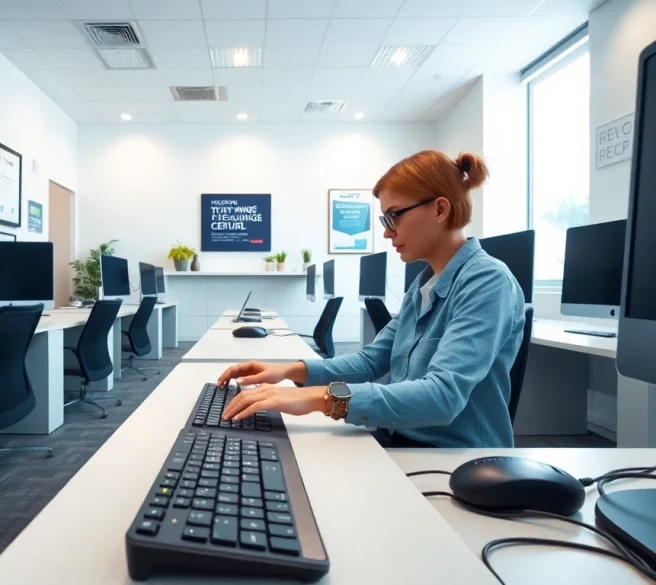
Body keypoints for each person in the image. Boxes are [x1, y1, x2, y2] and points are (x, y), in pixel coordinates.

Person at [219, 150, 525, 448]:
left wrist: (319, 398)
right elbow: (370, 361)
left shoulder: (487, 281)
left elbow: (442, 397)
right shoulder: (423, 286)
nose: (387, 234)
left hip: (454, 459)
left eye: (393, 217)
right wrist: (286, 371)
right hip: (399, 437)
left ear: (440, 209)